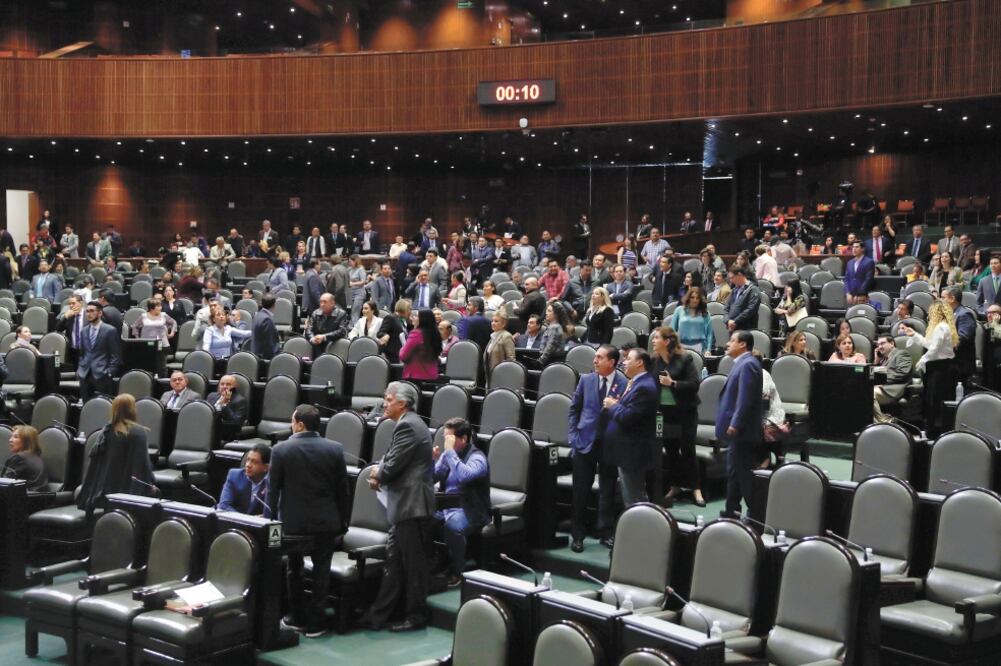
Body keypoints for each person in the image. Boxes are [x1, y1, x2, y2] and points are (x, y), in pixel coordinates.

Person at [269, 405, 349, 637]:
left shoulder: (281, 450)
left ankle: (297, 618)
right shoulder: (335, 449)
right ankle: (317, 624)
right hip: (327, 522)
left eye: (292, 421)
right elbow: (342, 491)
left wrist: (270, 524)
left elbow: (273, 493)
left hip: (294, 524)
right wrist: (342, 521)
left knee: (294, 570)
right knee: (321, 572)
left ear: (300, 424)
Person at [362, 382, 434, 632]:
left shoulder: (408, 426)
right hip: (403, 506)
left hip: (411, 506)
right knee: (394, 562)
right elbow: (390, 460)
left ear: (402, 404)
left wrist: (377, 473)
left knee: (413, 566)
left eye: (389, 399)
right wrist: (379, 472)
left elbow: (391, 466)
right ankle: (378, 615)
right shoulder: (408, 424)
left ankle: (416, 616)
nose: (384, 403)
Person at [567, 344, 625, 552]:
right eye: (595, 357)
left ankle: (605, 531)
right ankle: (578, 535)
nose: (595, 361)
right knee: (580, 491)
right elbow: (574, 409)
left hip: (610, 444)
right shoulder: (586, 379)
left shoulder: (624, 382)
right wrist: (573, 436)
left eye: (600, 358)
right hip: (584, 441)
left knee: (608, 490)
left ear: (612, 362)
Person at [431, 417, 489, 587]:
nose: (446, 442)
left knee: (453, 527)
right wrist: (433, 460)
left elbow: (465, 476)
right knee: (422, 519)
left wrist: (449, 453)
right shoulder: (448, 455)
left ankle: (458, 570)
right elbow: (433, 476)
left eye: (449, 438)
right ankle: (434, 563)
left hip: (469, 509)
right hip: (446, 506)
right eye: (445, 438)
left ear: (463, 439)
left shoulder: (477, 457)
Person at [76, 394, 155, 512]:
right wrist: (151, 484)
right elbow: (141, 468)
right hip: (127, 498)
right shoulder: (137, 432)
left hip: (104, 496)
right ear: (132, 409)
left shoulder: (106, 432)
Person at [651, 327, 703, 507]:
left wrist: (672, 383)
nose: (653, 341)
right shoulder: (654, 361)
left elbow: (694, 384)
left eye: (656, 338)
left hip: (685, 412)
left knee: (688, 450)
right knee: (671, 451)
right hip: (665, 414)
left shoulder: (685, 359)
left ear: (667, 341)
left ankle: (696, 488)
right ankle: (675, 486)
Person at [602, 348, 657, 508]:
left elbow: (628, 417)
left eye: (628, 359)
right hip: (627, 450)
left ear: (639, 362)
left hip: (633, 452)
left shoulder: (644, 387)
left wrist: (613, 406)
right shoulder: (637, 383)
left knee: (635, 499)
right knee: (632, 497)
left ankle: (643, 531)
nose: (623, 362)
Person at [719, 331, 764, 517]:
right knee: (734, 473)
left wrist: (735, 424)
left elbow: (745, 400)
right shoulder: (742, 363)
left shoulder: (748, 365)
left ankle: (757, 515)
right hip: (738, 433)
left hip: (742, 432)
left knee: (745, 475)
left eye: (732, 341)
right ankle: (731, 510)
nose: (727, 344)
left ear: (743, 345)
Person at [900, 300, 958, 437]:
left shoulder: (941, 327)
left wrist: (922, 360)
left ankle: (933, 431)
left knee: (934, 400)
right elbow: (928, 344)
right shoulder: (943, 326)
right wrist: (914, 334)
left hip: (940, 369)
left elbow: (933, 349)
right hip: (941, 367)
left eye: (931, 312)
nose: (929, 315)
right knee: (935, 399)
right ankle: (936, 430)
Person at [77, 300, 122, 400]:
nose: (89, 314)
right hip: (85, 374)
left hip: (102, 374)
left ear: (100, 313)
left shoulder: (110, 330)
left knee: (103, 408)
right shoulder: (84, 330)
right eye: (87, 311)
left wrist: (109, 372)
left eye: (92, 311)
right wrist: (80, 368)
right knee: (86, 406)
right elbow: (82, 353)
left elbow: (116, 355)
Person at [218, 444, 271, 515]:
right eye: (248, 460)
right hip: (233, 522)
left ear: (266, 467)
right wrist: (247, 520)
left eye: (254, 462)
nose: (248, 465)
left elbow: (274, 512)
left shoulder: (272, 482)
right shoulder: (234, 476)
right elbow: (224, 506)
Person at [872, 335, 913, 423]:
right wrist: (876, 361)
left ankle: (884, 421)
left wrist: (882, 381)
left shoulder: (902, 354)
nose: (879, 347)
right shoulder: (883, 359)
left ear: (891, 343)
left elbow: (902, 372)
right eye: (878, 345)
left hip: (893, 389)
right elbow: (874, 374)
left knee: (868, 394)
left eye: (882, 343)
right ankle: (883, 421)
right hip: (881, 388)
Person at [943, 285, 977, 385]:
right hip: (949, 361)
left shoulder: (964, 314)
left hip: (959, 365)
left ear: (952, 298)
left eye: (943, 297)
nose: (941, 300)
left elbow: (963, 338)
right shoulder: (950, 313)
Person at [1, 425, 48, 491]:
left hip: (24, 498)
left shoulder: (19, 458)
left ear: (27, 441)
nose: (10, 440)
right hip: (38, 498)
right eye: (11, 436)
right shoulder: (37, 457)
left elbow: (4, 484)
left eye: (16, 437)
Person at [400, 308, 441, 382]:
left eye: (416, 316)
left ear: (423, 319)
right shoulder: (435, 333)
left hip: (416, 377)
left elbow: (403, 356)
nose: (412, 318)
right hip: (432, 376)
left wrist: (402, 348)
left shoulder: (416, 334)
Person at [206, 374, 249, 443]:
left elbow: (237, 423)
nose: (224, 387)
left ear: (235, 387)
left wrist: (225, 404)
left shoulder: (240, 400)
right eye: (222, 384)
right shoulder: (211, 396)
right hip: (206, 429)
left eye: (228, 384)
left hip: (224, 434)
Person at [670, 287, 713, 353]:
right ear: (688, 298)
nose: (695, 300)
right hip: (681, 346)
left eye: (697, 298)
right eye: (692, 297)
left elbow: (709, 333)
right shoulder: (679, 310)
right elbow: (672, 330)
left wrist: (708, 350)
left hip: (700, 347)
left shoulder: (705, 313)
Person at [725, 267, 761, 333]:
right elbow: (726, 308)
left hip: (746, 329)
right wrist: (727, 321)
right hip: (732, 328)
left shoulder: (753, 290)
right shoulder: (734, 290)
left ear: (740, 275)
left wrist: (735, 322)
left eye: (732, 278)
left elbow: (751, 309)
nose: (731, 281)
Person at [843, 241, 875, 305]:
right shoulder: (849, 263)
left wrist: (858, 295)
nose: (854, 249)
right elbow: (846, 279)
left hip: (862, 297)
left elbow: (868, 280)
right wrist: (848, 293)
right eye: (853, 247)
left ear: (863, 249)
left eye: (857, 247)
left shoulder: (869, 262)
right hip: (850, 296)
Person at [251, 293, 281, 361]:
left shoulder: (258, 315)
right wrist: (272, 359)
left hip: (257, 355)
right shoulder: (266, 319)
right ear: (274, 305)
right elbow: (268, 343)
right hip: (264, 358)